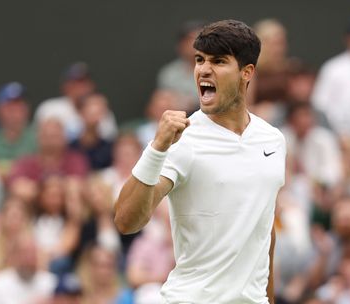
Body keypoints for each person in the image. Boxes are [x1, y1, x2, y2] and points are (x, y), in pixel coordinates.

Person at [114, 20, 286, 303]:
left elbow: (264, 231)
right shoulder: (182, 141)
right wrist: (157, 147)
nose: (204, 69)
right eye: (199, 60)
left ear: (247, 72)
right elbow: (126, 220)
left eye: (218, 61)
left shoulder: (273, 140)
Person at [35, 62, 118, 141]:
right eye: (77, 83)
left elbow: (107, 146)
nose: (82, 88)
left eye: (86, 82)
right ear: (66, 87)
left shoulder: (103, 112)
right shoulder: (50, 108)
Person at [0, 82, 37, 178]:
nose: (15, 112)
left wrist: (1, 168)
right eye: (10, 106)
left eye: (20, 105)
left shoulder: (37, 137)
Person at [0, 233, 57, 304]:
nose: (29, 260)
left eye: (33, 254)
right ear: (13, 257)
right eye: (25, 254)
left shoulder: (50, 283)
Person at [156, 21, 205, 112]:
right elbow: (164, 102)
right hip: (180, 118)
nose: (194, 44)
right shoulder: (170, 72)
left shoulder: (217, 68)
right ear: (180, 45)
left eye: (199, 39)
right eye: (189, 39)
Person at [69, 93, 113, 170]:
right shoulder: (70, 148)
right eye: (91, 112)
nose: (94, 117)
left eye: (99, 112)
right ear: (81, 112)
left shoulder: (111, 149)